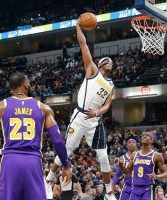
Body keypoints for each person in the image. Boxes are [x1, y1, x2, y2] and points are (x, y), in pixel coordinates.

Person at [46, 16, 116, 200]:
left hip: (95, 120)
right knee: (66, 151)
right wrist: (78, 26)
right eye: (107, 60)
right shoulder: (92, 70)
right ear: (100, 64)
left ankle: (109, 192)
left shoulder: (111, 85)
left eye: (112, 61)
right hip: (80, 116)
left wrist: (98, 112)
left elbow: (108, 105)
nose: (111, 62)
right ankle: (48, 180)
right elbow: (83, 44)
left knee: (103, 156)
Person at [0, 72, 71, 200]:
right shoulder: (44, 108)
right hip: (33, 162)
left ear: (11, 87)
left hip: (10, 161)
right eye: (29, 82)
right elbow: (58, 141)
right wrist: (66, 166)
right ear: (25, 85)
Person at [119, 131, 167, 200]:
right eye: (143, 135)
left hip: (148, 188)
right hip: (135, 188)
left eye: (147, 135)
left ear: (151, 140)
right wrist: (121, 165)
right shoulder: (134, 154)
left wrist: (157, 176)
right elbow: (127, 172)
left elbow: (166, 173)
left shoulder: (157, 155)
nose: (144, 136)